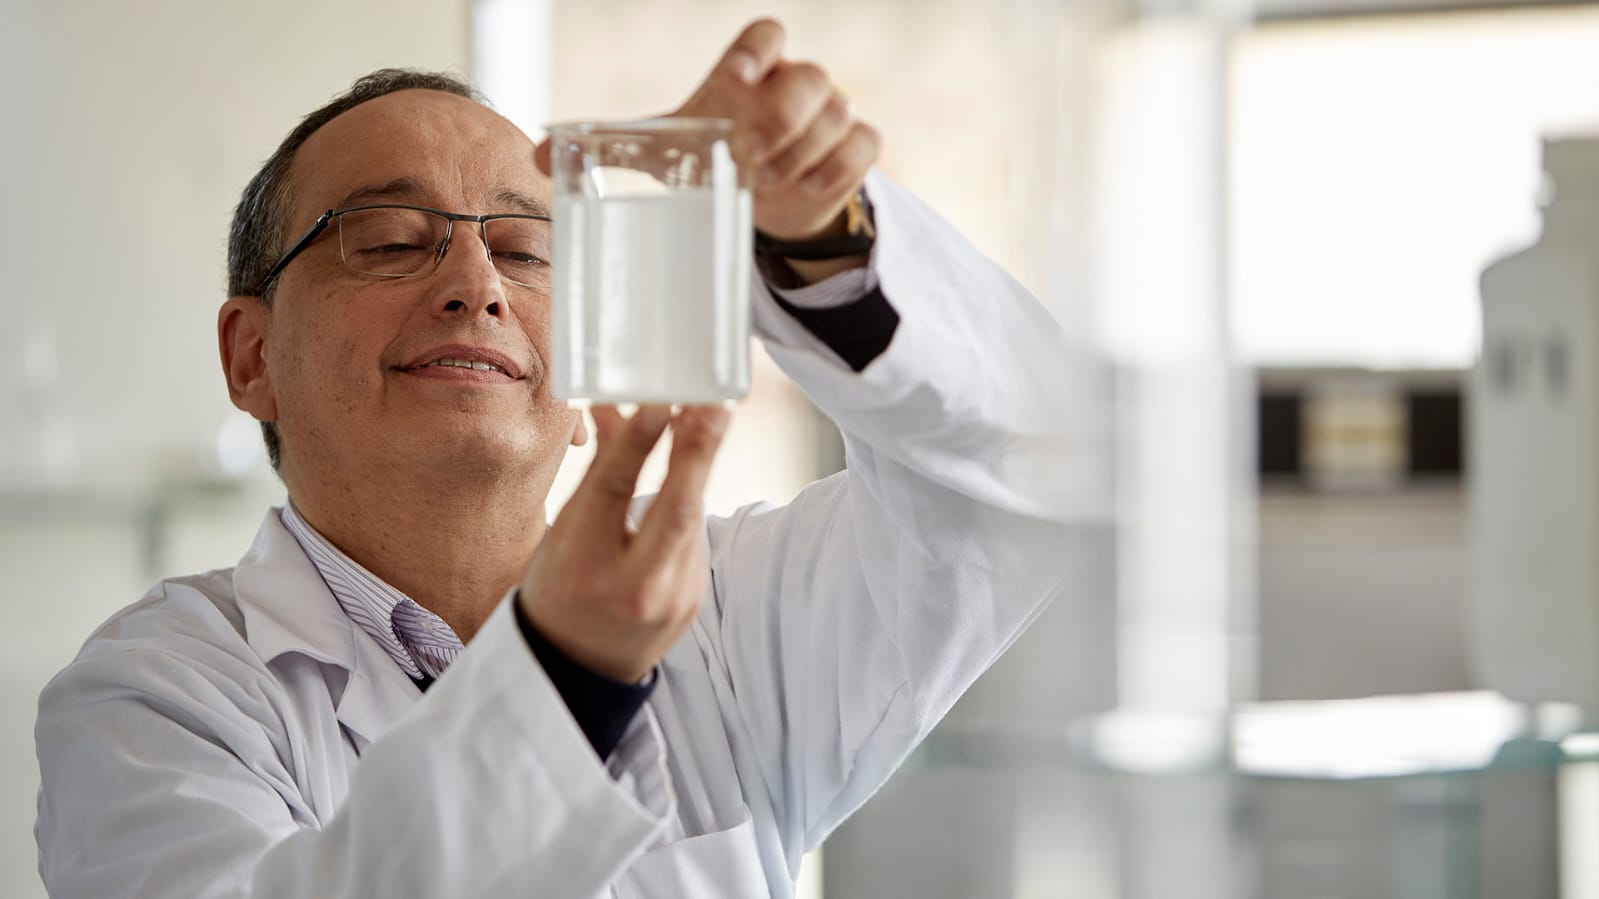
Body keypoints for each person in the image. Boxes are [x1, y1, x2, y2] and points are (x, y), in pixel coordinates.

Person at [35, 18, 1095, 899]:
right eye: (391, 238)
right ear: (251, 355)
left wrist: (822, 245)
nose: (476, 284)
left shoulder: (730, 619)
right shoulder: (155, 701)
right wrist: (571, 674)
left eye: (527, 248)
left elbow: (1040, 469)